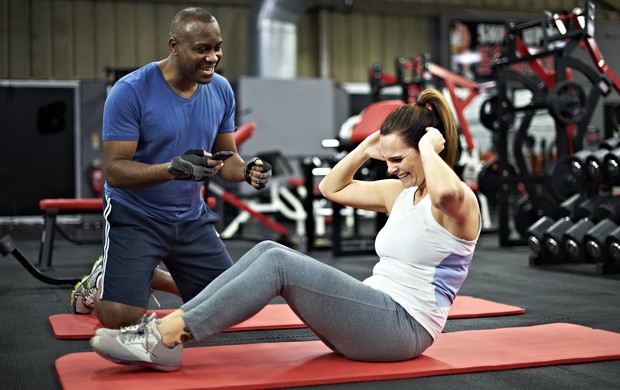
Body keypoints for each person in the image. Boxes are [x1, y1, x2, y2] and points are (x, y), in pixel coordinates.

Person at [89, 88, 481, 371]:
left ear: (430, 149)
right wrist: (365, 148)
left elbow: (446, 189)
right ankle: (162, 335)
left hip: (403, 330)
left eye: (399, 159)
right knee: (264, 250)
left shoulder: (457, 202)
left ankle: (167, 336)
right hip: (372, 314)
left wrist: (431, 148)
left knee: (278, 260)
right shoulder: (399, 192)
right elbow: (332, 188)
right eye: (389, 158)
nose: (392, 168)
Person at [70, 7, 272, 329]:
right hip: (136, 215)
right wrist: (174, 170)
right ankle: (106, 279)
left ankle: (148, 276)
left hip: (190, 218)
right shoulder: (130, 91)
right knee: (120, 320)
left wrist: (247, 171)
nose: (213, 57)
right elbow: (115, 171)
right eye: (201, 49)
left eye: (217, 47)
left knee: (231, 305)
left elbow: (228, 157)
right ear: (174, 46)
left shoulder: (220, 90)